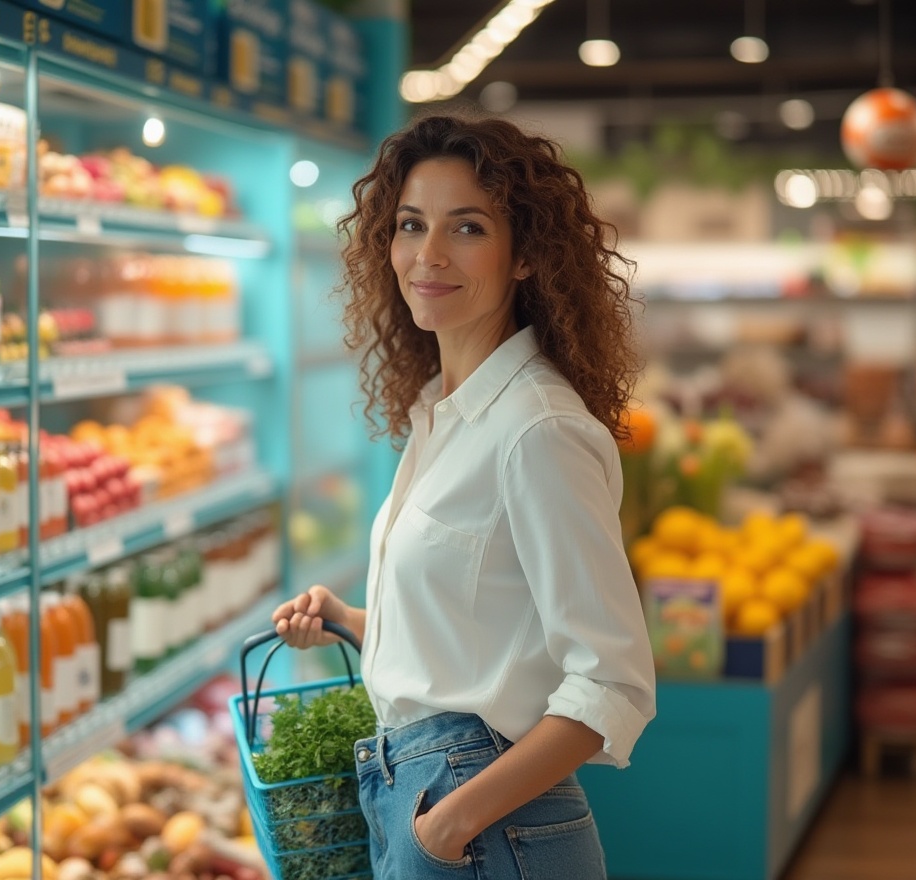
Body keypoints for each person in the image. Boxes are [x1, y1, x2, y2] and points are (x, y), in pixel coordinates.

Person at [272, 112, 656, 879]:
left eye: (469, 228)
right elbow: (492, 624)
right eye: (411, 224)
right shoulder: (443, 412)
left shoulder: (535, 429)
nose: (429, 254)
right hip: (431, 805)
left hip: (485, 827)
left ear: (525, 257)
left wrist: (447, 826)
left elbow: (613, 683)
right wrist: (356, 622)